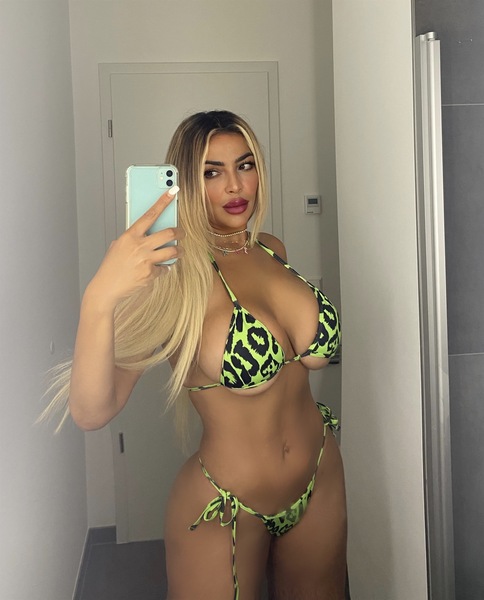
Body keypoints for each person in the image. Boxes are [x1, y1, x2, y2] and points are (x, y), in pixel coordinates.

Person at [44, 110, 347, 599]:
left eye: (245, 165)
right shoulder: (171, 275)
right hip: (226, 504)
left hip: (320, 473)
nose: (235, 185)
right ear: (185, 182)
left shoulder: (272, 248)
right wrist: (99, 297)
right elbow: (92, 411)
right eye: (212, 172)